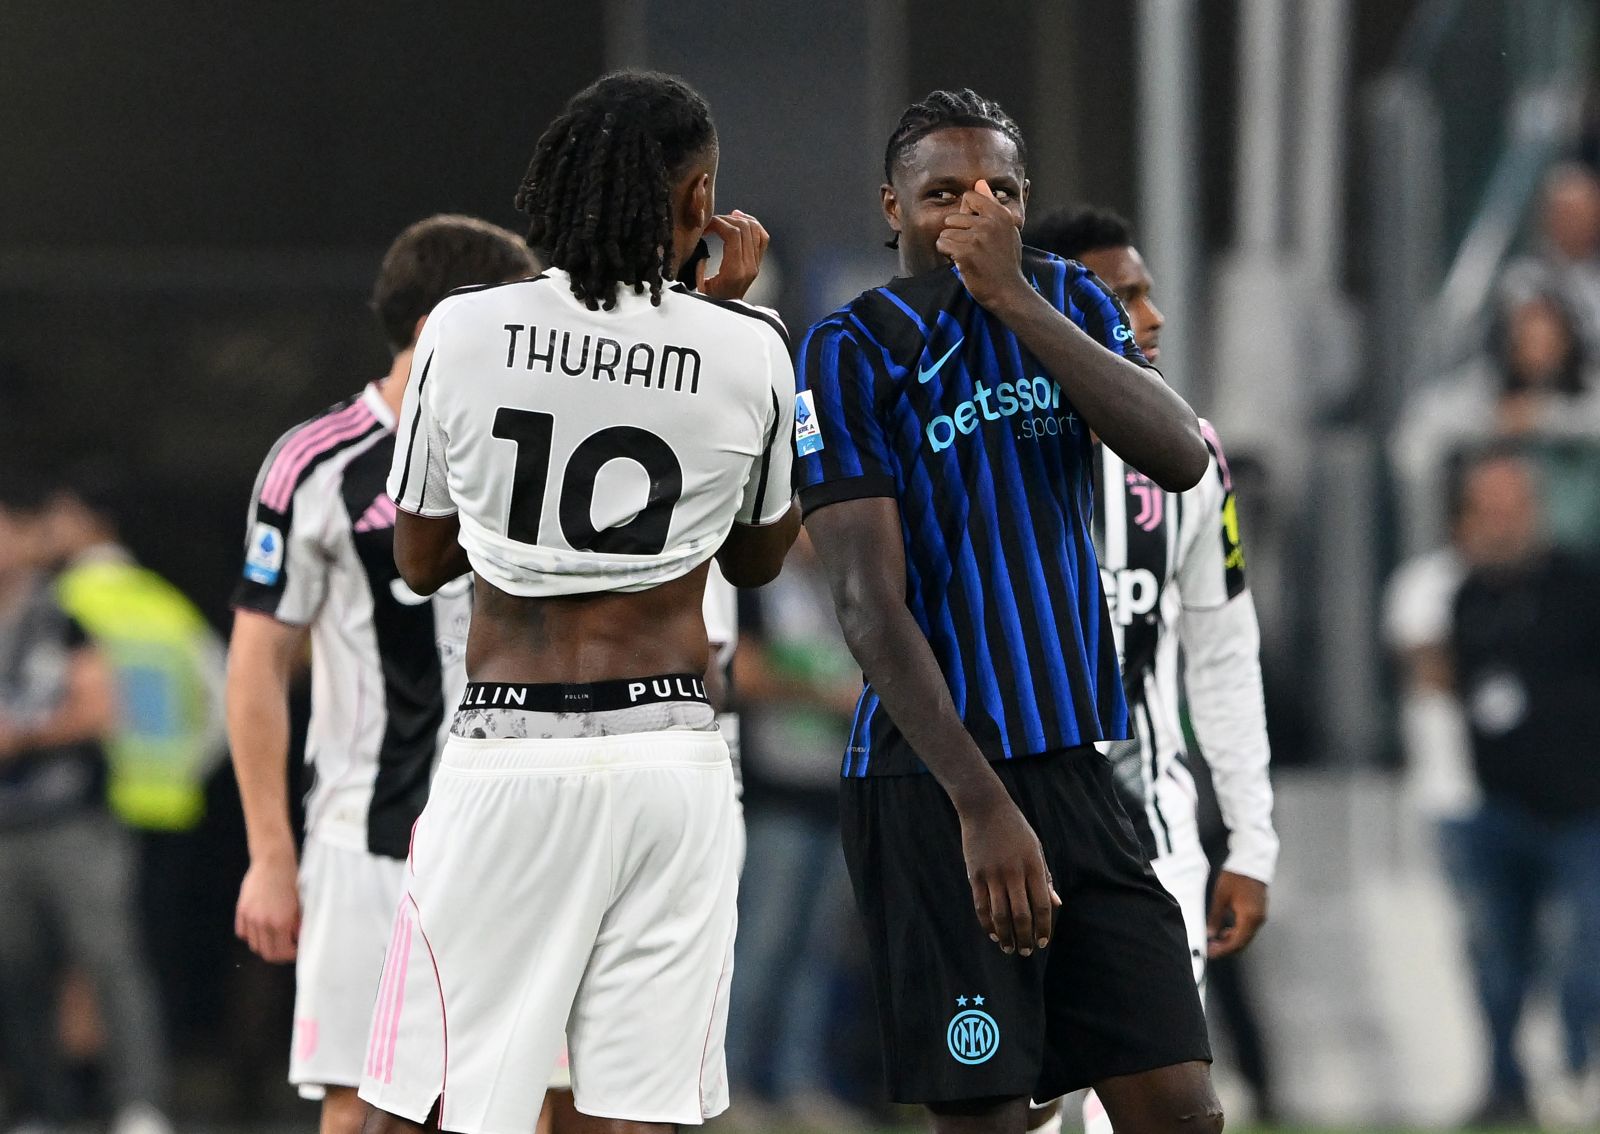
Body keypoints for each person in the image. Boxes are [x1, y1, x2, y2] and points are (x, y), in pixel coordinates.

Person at [356, 70, 798, 1134]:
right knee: (634, 1109)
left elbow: (418, 559)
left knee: (429, 1094)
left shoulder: (464, 329)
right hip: (671, 757)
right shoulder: (750, 345)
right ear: (699, 200)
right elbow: (757, 560)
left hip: (511, 751)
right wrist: (708, 322)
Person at [794, 88, 1217, 1134]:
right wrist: (979, 806)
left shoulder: (1065, 296)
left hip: (1075, 765)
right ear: (892, 207)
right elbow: (865, 603)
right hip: (936, 782)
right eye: (944, 193)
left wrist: (1014, 299)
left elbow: (1177, 454)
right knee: (988, 1119)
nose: (973, 213)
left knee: (1178, 1106)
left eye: (1000, 193)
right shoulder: (849, 351)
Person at [228, 214, 535, 1134]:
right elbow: (255, 664)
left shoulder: (527, 448)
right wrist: (271, 856)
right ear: (445, 323)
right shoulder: (317, 463)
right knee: (364, 1104)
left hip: (517, 832)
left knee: (524, 1100)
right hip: (368, 843)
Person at [1026, 206, 1278, 1134]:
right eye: (1125, 294)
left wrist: (1251, 839)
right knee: (1019, 1109)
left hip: (1152, 837)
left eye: (1148, 290)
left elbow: (1224, 650)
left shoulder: (1190, 455)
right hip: (1016, 831)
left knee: (1151, 1109)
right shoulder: (983, 449)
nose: (1153, 315)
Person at [0, 474, 172, 1134]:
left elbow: (104, 704)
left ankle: (139, 1103)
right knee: (16, 968)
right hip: (7, 825)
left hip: (74, 817)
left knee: (107, 958)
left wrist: (21, 735)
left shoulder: (65, 608)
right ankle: (41, 1105)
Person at [1440, 449, 1600, 1127]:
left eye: (1511, 509)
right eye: (1488, 511)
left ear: (1535, 511)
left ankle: (1579, 1075)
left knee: (1584, 954)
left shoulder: (1582, 587)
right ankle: (1505, 1084)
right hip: (1496, 809)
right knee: (1496, 962)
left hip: (1583, 810)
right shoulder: (1467, 596)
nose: (1500, 523)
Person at [1393, 287, 1600, 552]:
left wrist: (1543, 417)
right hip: (1492, 552)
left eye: (1549, 341)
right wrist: (1493, 423)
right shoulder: (1482, 388)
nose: (1538, 354)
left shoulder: (1590, 389)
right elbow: (1415, 438)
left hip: (1582, 548)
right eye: (1527, 340)